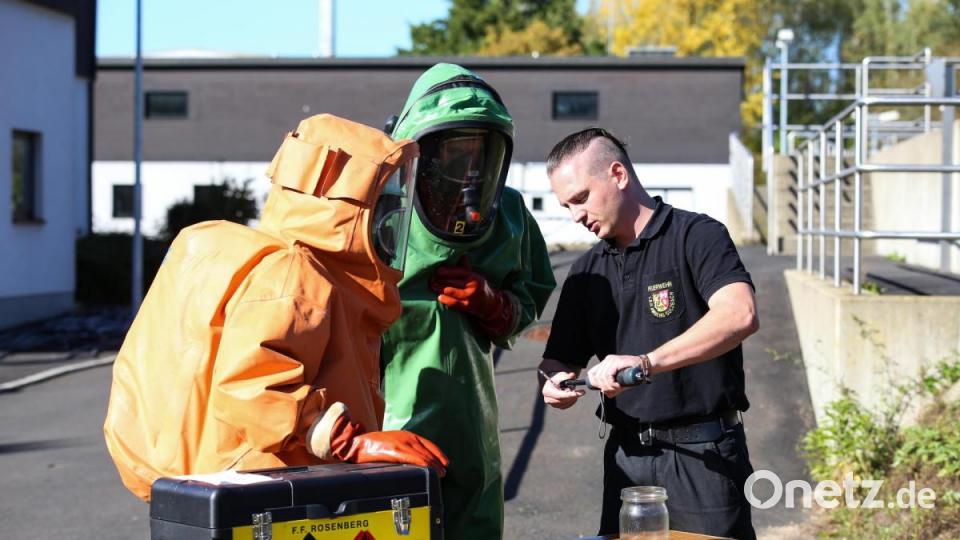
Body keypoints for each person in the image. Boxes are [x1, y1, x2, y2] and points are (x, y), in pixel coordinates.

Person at [103, 114, 448, 501]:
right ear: (350, 206)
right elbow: (252, 388)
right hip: (268, 488)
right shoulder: (294, 274)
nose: (391, 222)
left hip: (243, 482)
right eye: (382, 206)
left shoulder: (276, 261)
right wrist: (351, 442)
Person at [538, 128, 759, 539]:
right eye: (566, 206)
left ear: (618, 174)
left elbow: (739, 314)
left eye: (581, 198)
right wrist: (553, 382)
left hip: (704, 456)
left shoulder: (696, 235)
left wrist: (645, 363)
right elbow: (557, 360)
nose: (575, 216)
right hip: (627, 459)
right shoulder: (586, 273)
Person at [380, 63, 556, 540]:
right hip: (384, 420)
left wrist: (495, 306)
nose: (471, 168)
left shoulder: (509, 213)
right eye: (457, 152)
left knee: (473, 522)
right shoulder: (377, 206)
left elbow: (529, 296)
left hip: (471, 419)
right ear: (420, 150)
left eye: (481, 152)